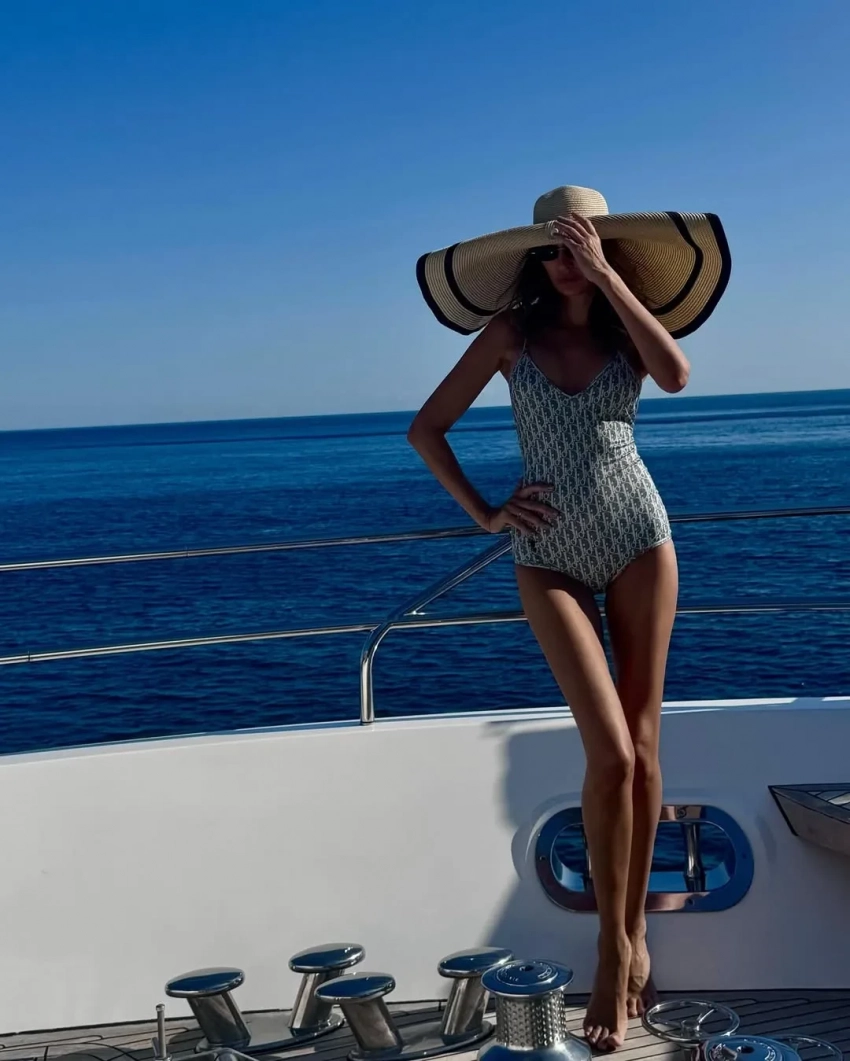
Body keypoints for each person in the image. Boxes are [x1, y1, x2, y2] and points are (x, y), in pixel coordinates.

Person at [408, 186, 730, 1052]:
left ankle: (631, 936)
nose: (566, 263)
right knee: (610, 753)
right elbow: (426, 428)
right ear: (533, 260)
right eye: (552, 249)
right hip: (545, 555)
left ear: (606, 251)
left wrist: (610, 279)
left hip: (639, 540)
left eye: (582, 246)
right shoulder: (509, 336)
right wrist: (485, 512)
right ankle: (610, 944)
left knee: (646, 746)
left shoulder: (627, 333)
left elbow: (677, 374)